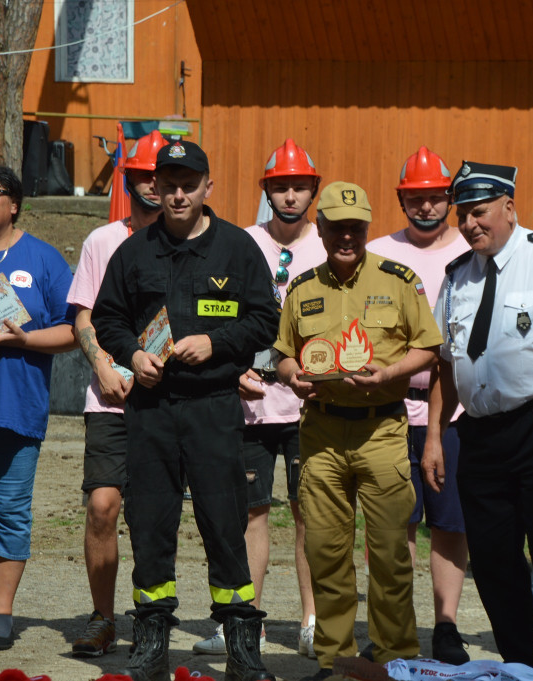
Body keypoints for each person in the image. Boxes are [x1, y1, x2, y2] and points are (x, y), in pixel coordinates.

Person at [92, 140, 280, 681]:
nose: (177, 194)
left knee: (224, 522)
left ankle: (241, 643)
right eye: (168, 184)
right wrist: (132, 354)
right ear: (155, 187)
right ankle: (151, 640)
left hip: (213, 407)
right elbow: (108, 318)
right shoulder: (134, 251)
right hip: (151, 409)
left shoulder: (238, 248)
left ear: (207, 188)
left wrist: (216, 344)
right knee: (150, 522)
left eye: (188, 184)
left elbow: (265, 321)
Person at [423, 162, 533, 681]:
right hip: (480, 434)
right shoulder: (458, 275)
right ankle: (523, 665)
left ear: (509, 207)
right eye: (463, 215)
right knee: (494, 555)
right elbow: (446, 362)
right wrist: (436, 435)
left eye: (479, 213)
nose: (470, 224)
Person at [273, 181, 442, 681]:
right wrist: (292, 377)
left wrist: (391, 374)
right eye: (337, 228)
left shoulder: (398, 280)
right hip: (321, 434)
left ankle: (395, 659)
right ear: (319, 229)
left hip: (382, 430)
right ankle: (335, 659)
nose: (347, 237)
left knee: (390, 553)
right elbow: (282, 353)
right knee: (325, 552)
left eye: (356, 229)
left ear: (366, 229)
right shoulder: (302, 288)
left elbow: (429, 347)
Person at [194, 138, 325, 658]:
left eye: (298, 187)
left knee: (308, 511)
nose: (290, 196)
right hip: (248, 403)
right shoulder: (238, 241)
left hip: (309, 405)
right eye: (280, 187)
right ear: (266, 191)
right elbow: (214, 316)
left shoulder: (327, 242)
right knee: (247, 514)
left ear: (313, 190)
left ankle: (315, 620)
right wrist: (233, 371)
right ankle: (243, 622)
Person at [0, 165, 76, 652]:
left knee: (8, 509)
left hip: (18, 404)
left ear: (14, 203)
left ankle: (2, 611)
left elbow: (74, 330)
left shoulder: (44, 259)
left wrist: (24, 337)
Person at [367, 146, 471, 665]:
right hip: (388, 406)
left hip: (452, 410)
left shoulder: (469, 251)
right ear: (401, 199)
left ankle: (447, 623)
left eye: (435, 198)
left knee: (450, 522)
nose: (426, 208)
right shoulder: (378, 251)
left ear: (449, 199)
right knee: (394, 522)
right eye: (416, 198)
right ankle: (395, 620)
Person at [66, 130, 167, 657]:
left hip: (169, 399)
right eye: (143, 175)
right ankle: (103, 616)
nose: (153, 185)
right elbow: (84, 313)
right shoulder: (103, 240)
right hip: (110, 398)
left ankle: (151, 620)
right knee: (103, 507)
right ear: (129, 181)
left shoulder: (194, 242)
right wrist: (103, 367)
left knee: (154, 511)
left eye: (160, 175)